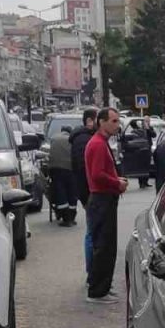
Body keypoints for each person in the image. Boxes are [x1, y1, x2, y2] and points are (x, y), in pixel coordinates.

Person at [84, 108, 129, 303]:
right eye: (113, 121)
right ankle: (97, 291)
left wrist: (115, 178)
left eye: (118, 121)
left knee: (107, 245)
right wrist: (116, 183)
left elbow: (102, 172)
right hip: (102, 200)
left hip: (104, 198)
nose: (117, 125)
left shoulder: (100, 143)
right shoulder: (97, 145)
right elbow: (97, 175)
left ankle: (102, 286)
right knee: (103, 246)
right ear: (101, 122)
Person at [70, 110, 98, 268]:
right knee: (92, 231)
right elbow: (83, 170)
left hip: (86, 191)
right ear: (89, 121)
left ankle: (93, 271)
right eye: (97, 119)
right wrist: (89, 195)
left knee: (93, 229)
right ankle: (92, 272)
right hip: (89, 192)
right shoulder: (83, 140)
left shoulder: (83, 138)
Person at [46, 126, 78, 226]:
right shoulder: (72, 139)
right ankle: (71, 218)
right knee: (72, 192)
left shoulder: (54, 138)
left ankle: (65, 218)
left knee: (61, 192)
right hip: (70, 169)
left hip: (55, 169)